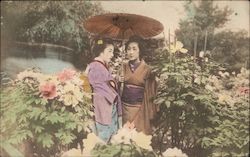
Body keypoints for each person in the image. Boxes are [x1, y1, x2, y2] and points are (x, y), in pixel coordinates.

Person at [120, 36, 158, 135]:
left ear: (140, 51)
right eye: (128, 49)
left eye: (134, 49)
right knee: (125, 137)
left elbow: (151, 93)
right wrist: (118, 81)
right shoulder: (122, 67)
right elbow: (117, 89)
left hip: (140, 108)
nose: (131, 52)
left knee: (139, 137)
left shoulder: (147, 69)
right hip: (125, 108)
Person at [87, 38, 122, 142]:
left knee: (110, 137)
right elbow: (99, 87)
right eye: (109, 51)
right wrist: (114, 96)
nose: (112, 54)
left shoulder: (102, 66)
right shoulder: (95, 66)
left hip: (108, 105)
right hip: (103, 105)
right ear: (101, 51)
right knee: (104, 138)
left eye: (112, 51)